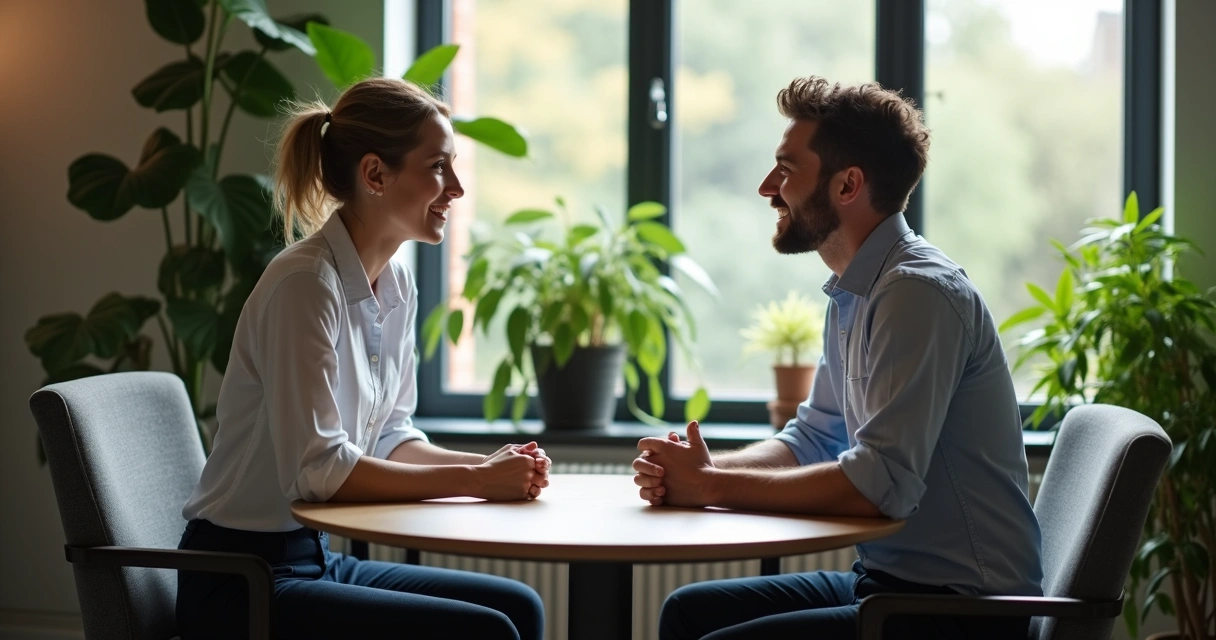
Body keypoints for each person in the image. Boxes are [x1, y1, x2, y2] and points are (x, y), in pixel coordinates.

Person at [633, 76, 1043, 640]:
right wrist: (699, 470)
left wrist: (709, 488)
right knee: (687, 612)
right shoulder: (857, 289)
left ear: (848, 184)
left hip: (964, 610)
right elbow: (814, 439)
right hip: (888, 585)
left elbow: (881, 484)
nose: (767, 188)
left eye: (786, 169)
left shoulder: (916, 293)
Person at [176, 77, 549, 640]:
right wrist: (476, 480)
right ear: (375, 174)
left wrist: (490, 465)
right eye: (438, 167)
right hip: (240, 578)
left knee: (518, 607)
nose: (457, 190)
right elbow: (319, 473)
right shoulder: (305, 284)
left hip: (316, 558)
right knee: (483, 631)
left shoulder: (395, 281)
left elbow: (391, 437)